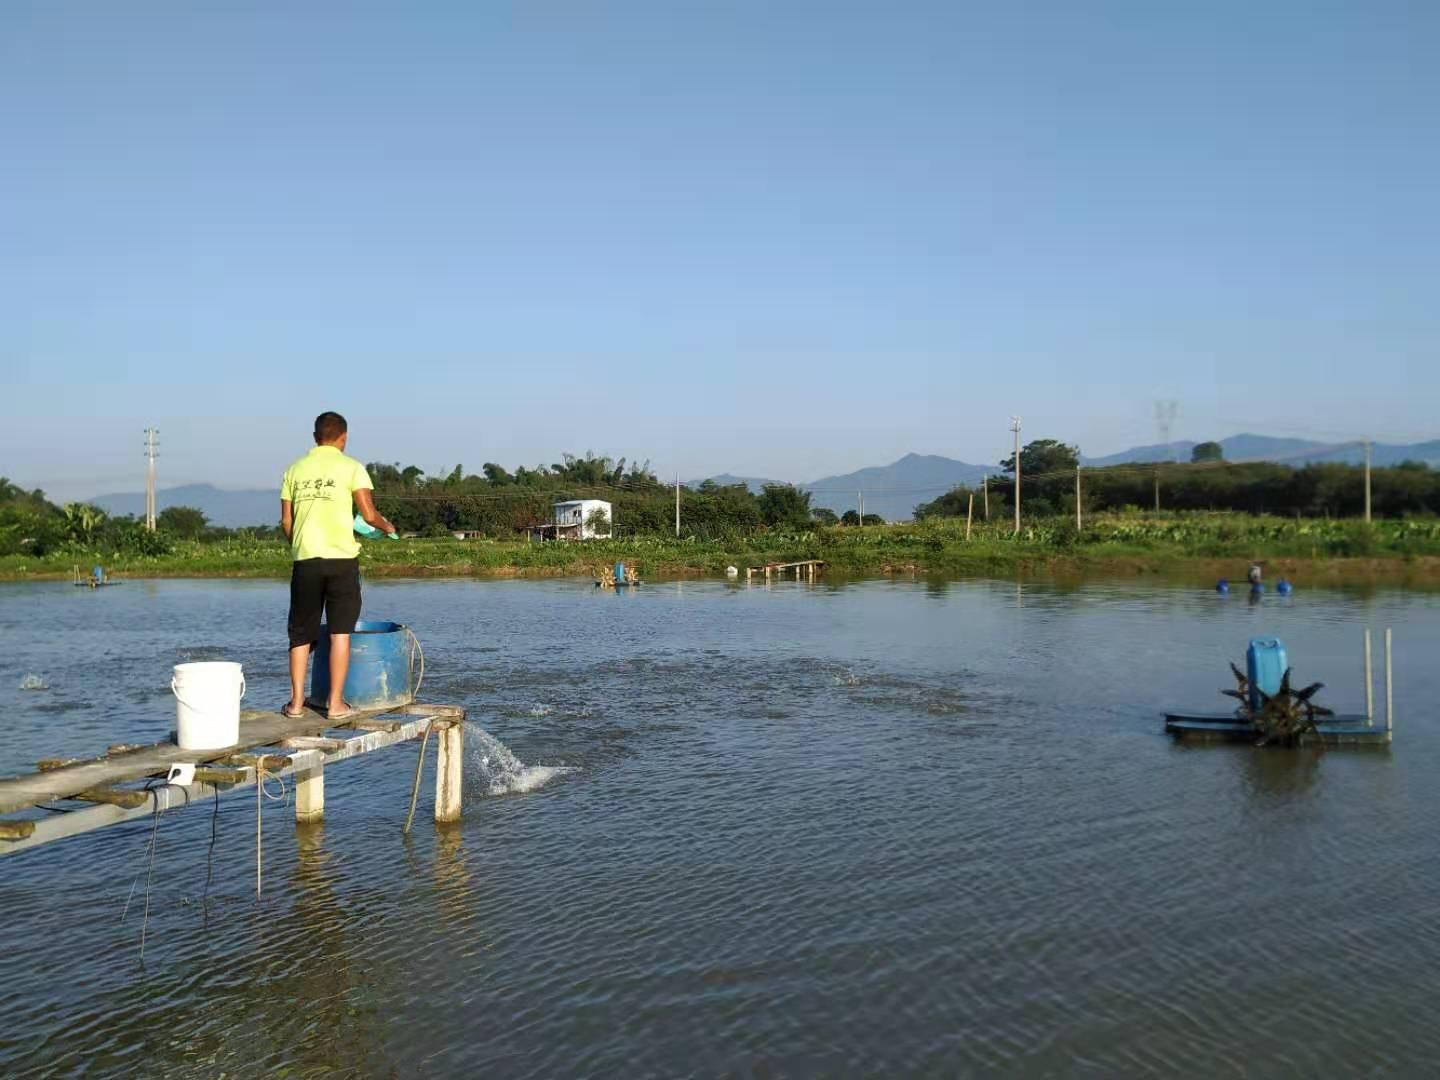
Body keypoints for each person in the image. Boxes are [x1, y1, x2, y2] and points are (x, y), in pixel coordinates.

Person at [280, 411, 396, 719]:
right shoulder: (352, 468)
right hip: (342, 561)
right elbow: (369, 516)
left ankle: (295, 704)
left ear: (315, 436)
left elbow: (286, 521)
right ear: (343, 438)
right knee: (339, 633)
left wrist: (300, 543)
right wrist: (387, 527)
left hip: (305, 560)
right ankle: (335, 704)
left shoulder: (294, 470)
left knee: (301, 633)